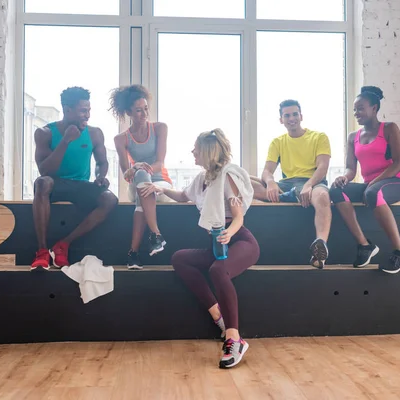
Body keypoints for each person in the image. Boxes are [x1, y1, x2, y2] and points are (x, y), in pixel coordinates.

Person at [141, 129, 258, 369]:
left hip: (240, 242)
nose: (192, 152)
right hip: (216, 244)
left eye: (196, 148)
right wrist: (161, 190)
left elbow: (238, 218)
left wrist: (229, 233)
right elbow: (183, 196)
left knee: (218, 270)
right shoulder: (203, 178)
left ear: (207, 151)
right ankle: (220, 318)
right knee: (180, 259)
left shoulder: (227, 176)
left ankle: (234, 339)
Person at [31, 87, 118, 271]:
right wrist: (65, 141)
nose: (87, 115)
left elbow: (102, 163)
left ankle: (63, 245)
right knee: (41, 183)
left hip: (81, 185)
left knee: (110, 199)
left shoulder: (95, 134)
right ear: (67, 109)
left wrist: (101, 177)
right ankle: (42, 251)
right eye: (83, 111)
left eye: (88, 110)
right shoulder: (45, 133)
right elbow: (45, 170)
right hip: (56, 183)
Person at [329, 86, 400, 274]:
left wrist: (374, 183)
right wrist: (344, 177)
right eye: (355, 109)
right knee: (334, 190)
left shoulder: (389, 128)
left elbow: (399, 163)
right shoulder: (353, 137)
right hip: (370, 187)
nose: (357, 113)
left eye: (361, 108)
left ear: (374, 108)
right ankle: (364, 245)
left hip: (394, 182)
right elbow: (351, 169)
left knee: (373, 192)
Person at [250, 99, 332, 268]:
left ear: (301, 116)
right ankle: (285, 196)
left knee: (323, 195)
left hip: (313, 182)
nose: (291, 118)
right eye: (287, 115)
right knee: (244, 179)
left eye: (295, 114)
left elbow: (323, 167)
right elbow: (266, 171)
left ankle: (320, 247)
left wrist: (309, 185)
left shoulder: (319, 137)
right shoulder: (277, 142)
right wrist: (271, 182)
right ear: (281, 120)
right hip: (286, 185)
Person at [110, 85, 173, 269]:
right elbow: (127, 175)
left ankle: (133, 254)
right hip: (136, 182)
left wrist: (143, 169)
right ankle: (155, 233)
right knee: (140, 175)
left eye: (146, 108)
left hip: (160, 180)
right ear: (129, 112)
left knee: (142, 194)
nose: (144, 114)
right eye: (138, 110)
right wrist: (136, 167)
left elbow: (160, 164)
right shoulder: (121, 139)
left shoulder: (160, 128)